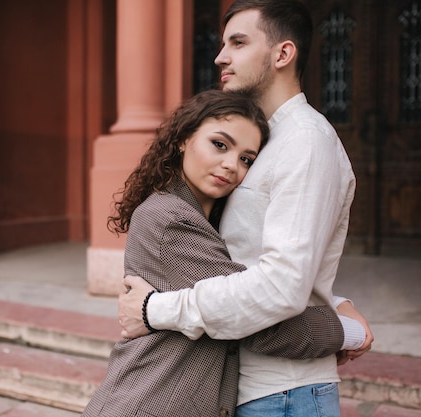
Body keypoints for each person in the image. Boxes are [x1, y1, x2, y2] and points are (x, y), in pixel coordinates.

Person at [118, 1, 374, 416]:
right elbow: (252, 258)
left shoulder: (305, 141)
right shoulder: (262, 142)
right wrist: (334, 305)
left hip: (284, 391)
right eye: (223, 44)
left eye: (238, 42)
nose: (221, 56)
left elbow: (281, 285)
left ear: (282, 54)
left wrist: (154, 309)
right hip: (250, 385)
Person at [82, 89, 356, 417]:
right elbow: (261, 322)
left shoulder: (206, 219)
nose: (231, 166)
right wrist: (348, 331)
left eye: (246, 159)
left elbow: (245, 288)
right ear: (183, 139)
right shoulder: (171, 219)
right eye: (220, 145)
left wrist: (337, 301)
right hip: (149, 402)